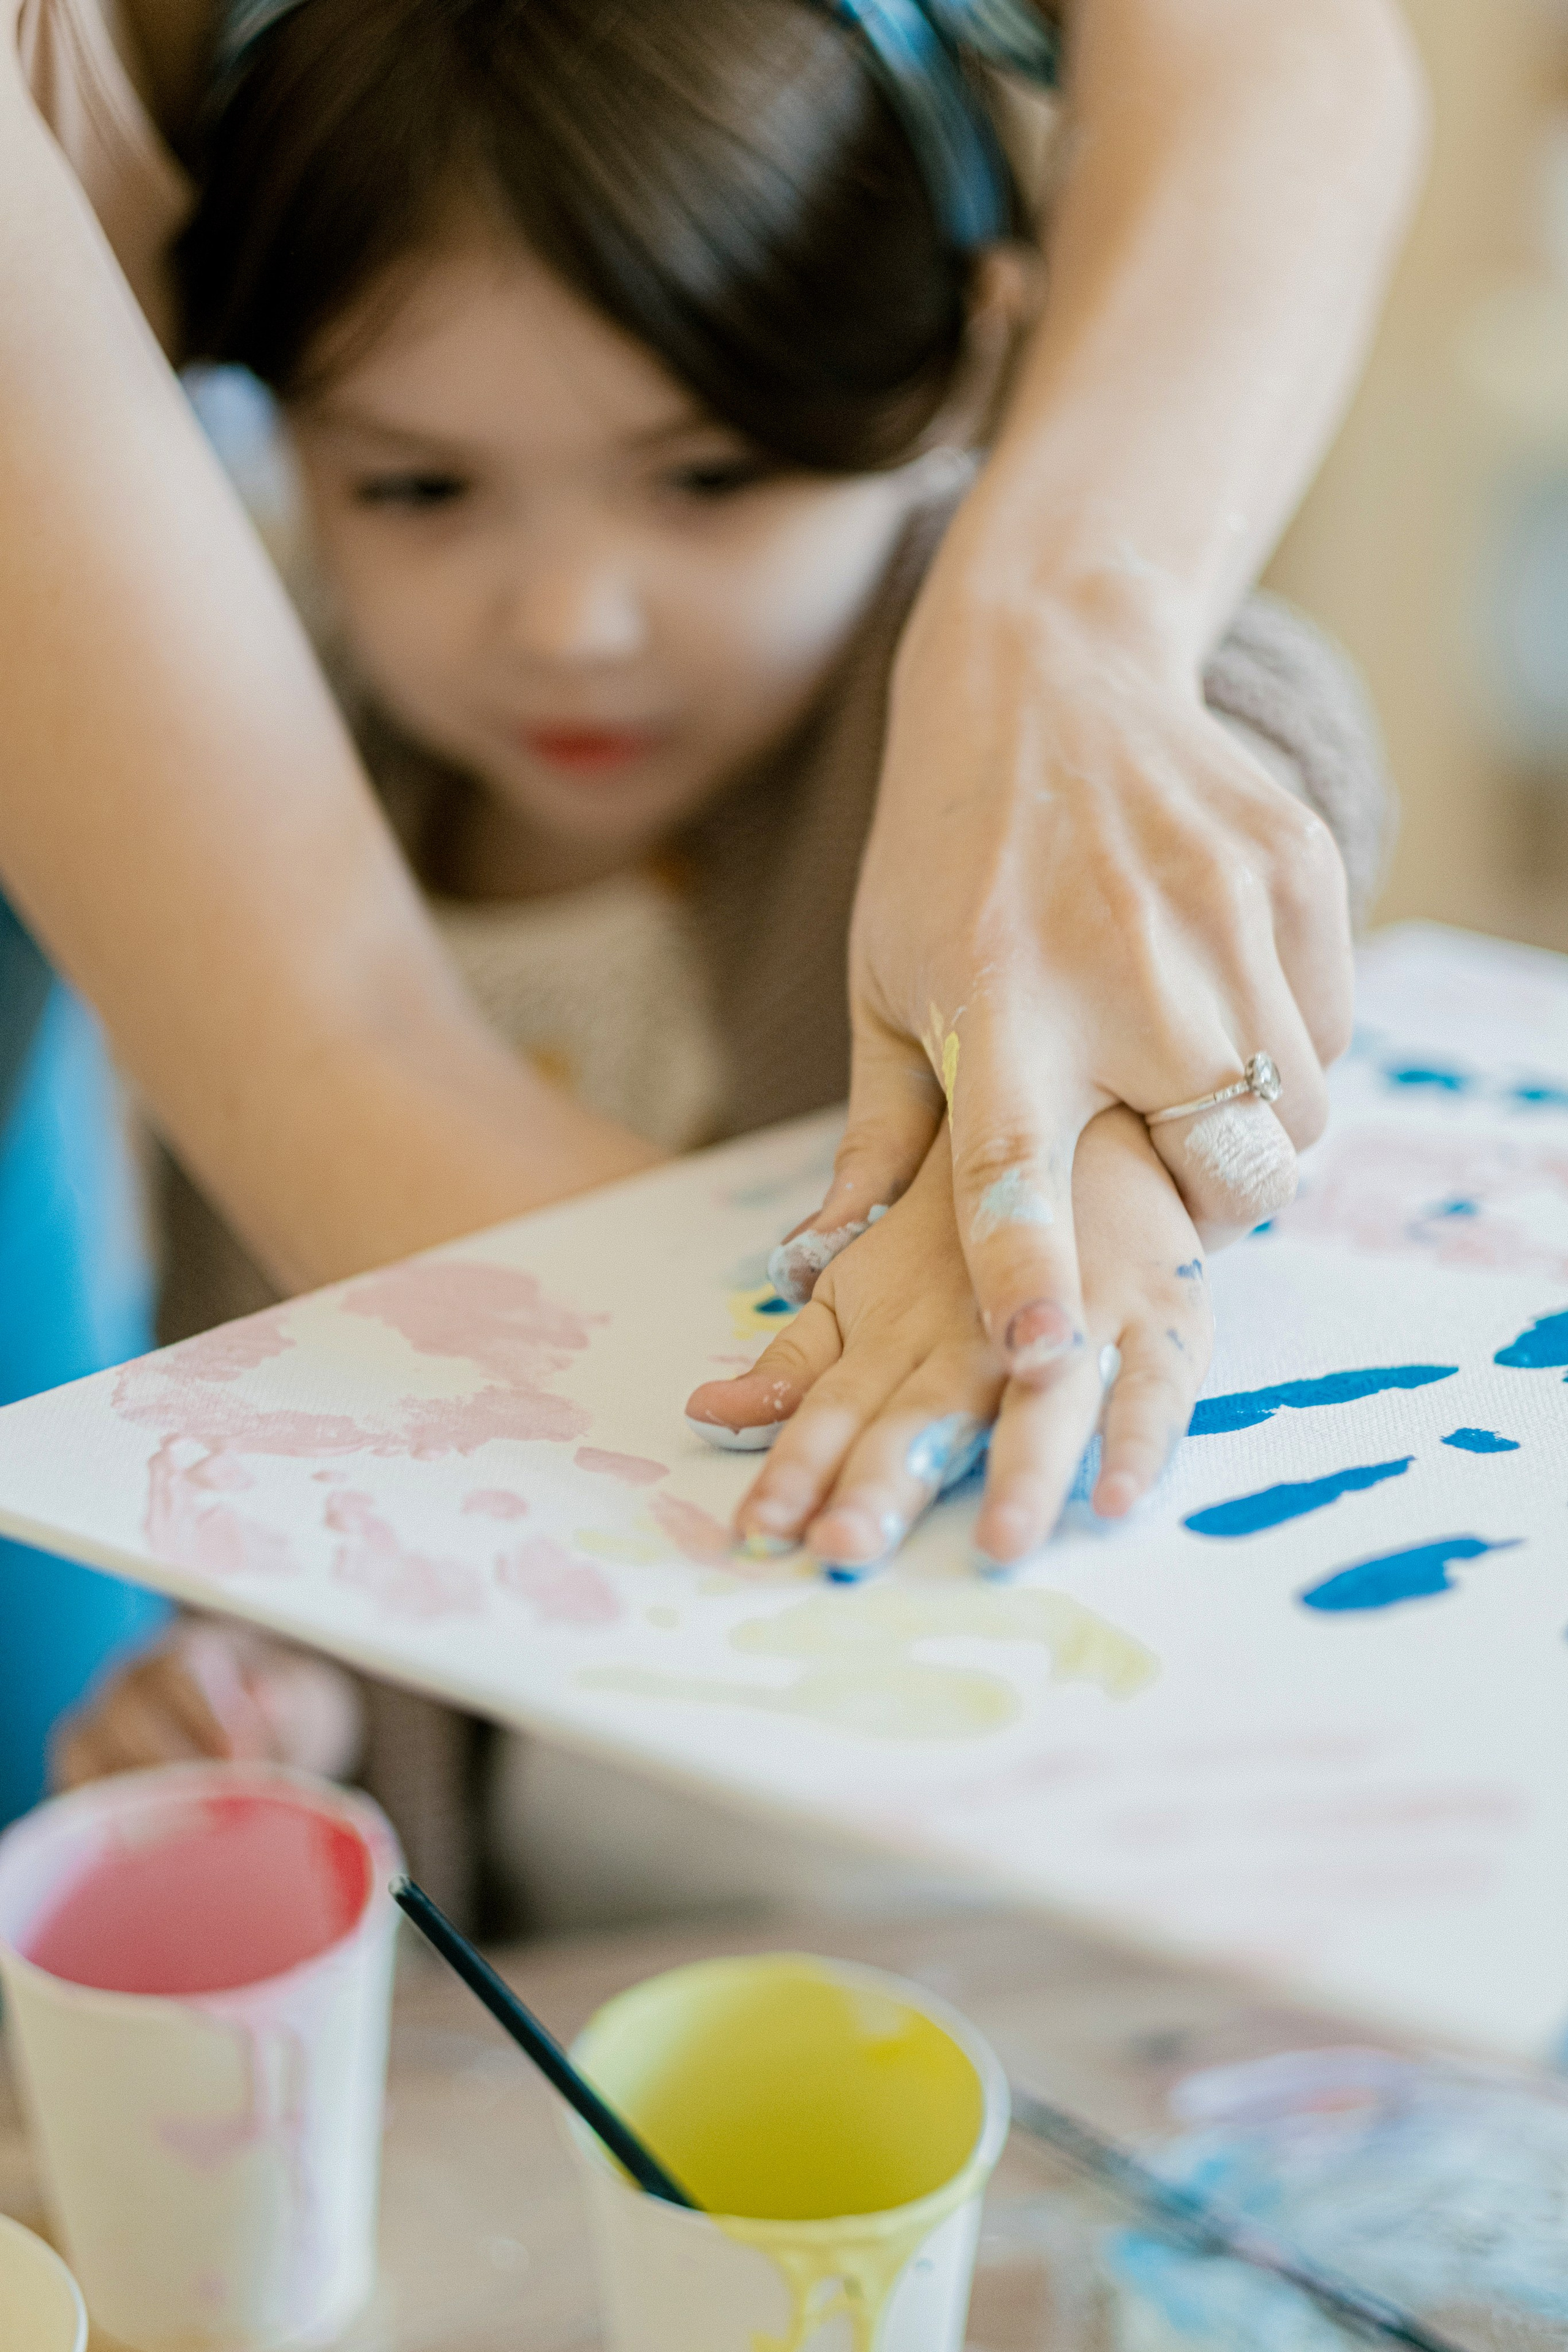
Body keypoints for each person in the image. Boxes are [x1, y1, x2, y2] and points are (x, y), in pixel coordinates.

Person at [55, 0, 1389, 1921]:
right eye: (418, 490)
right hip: (569, 1949)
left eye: (707, 482)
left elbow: (1257, 728)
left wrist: (1092, 1124)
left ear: (962, 370)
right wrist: (271, 1693)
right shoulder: (256, 790)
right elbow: (326, 1421)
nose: (573, 619)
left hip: (993, 1879)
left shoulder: (965, 694)